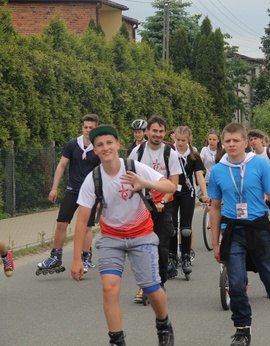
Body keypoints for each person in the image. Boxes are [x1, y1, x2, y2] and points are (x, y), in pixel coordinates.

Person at [70, 124, 175, 346]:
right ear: (95, 150)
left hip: (142, 235)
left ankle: (163, 323)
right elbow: (82, 221)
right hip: (111, 238)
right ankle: (117, 340)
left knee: (152, 288)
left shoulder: (133, 167)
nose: (105, 148)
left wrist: (143, 183)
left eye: (109, 143)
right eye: (100, 145)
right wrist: (77, 258)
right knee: (109, 288)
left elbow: (169, 187)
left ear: (118, 145)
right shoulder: (93, 179)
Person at [208, 122, 270, 346]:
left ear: (246, 143)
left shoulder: (260, 165)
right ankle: (242, 329)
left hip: (259, 229)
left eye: (236, 140)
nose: (232, 144)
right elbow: (215, 208)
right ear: (223, 144)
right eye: (228, 141)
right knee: (235, 283)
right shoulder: (217, 170)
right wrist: (216, 243)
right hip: (233, 231)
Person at [37, 114, 101, 275]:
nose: (87, 130)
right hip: (73, 189)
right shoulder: (72, 145)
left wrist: (101, 196)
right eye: (85, 127)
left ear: (96, 129)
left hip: (91, 193)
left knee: (86, 227)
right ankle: (55, 256)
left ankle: (85, 257)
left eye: (91, 128)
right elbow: (61, 166)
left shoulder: (100, 147)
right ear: (82, 128)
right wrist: (54, 188)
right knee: (61, 223)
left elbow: (104, 173)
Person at [128, 115, 182, 301]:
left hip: (164, 204)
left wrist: (163, 202)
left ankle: (159, 284)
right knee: (142, 246)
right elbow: (130, 177)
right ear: (147, 132)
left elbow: (173, 183)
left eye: (161, 131)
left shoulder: (170, 153)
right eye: (154, 131)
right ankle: (144, 287)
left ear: (165, 133)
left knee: (161, 246)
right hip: (143, 203)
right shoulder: (137, 152)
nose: (157, 135)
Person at [170, 126, 210, 278]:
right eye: (178, 140)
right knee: (172, 227)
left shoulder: (193, 155)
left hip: (187, 193)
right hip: (171, 192)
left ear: (189, 140)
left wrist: (205, 195)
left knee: (185, 228)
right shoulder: (169, 153)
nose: (180, 143)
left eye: (183, 140)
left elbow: (199, 176)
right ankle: (172, 257)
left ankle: (186, 256)